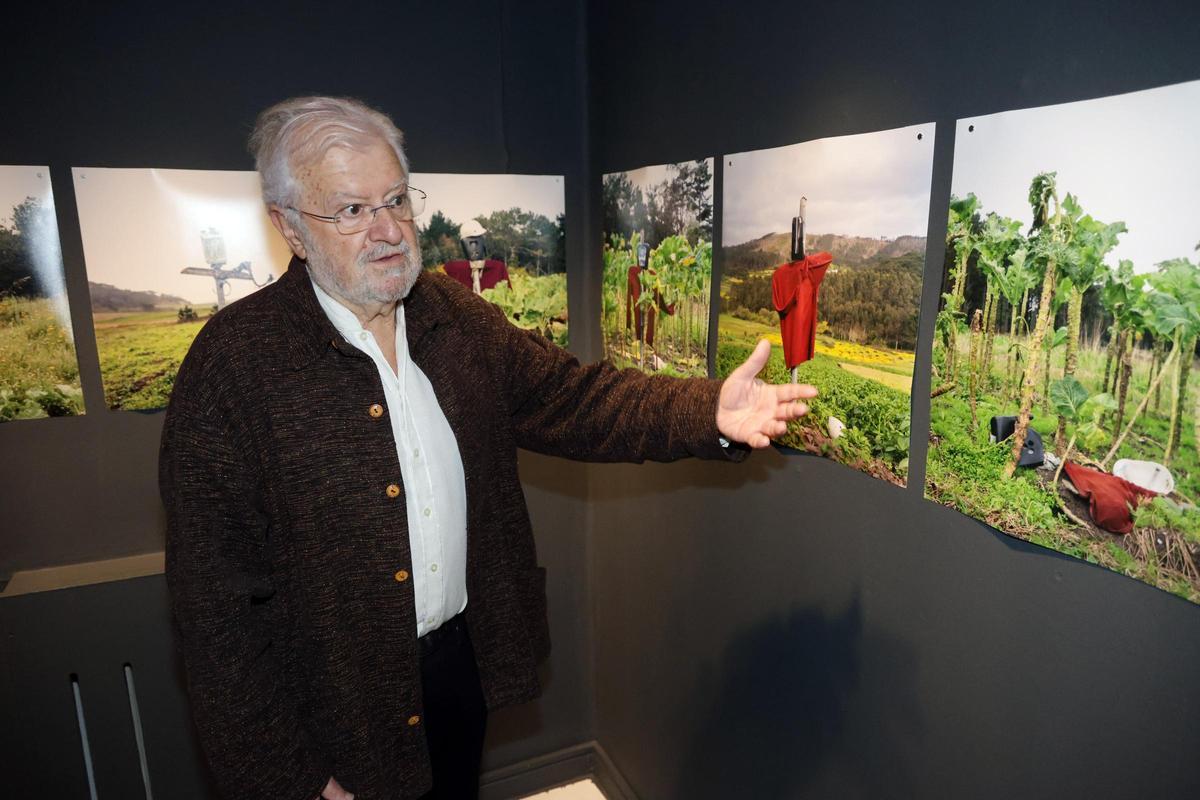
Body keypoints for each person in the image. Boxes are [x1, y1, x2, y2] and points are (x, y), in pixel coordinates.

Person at [159, 96, 817, 800]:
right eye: (352, 211)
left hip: (455, 670)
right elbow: (216, 617)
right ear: (289, 226)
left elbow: (575, 399)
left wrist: (704, 410)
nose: (387, 230)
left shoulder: (455, 319)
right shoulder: (233, 370)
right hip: (334, 713)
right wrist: (288, 779)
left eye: (396, 200)